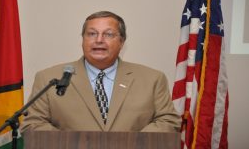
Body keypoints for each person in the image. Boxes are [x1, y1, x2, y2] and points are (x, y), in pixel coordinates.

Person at [21, 11, 181, 132]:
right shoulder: (49, 78)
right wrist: (76, 143)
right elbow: (33, 123)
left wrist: (132, 143)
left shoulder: (152, 79)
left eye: (108, 34)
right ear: (82, 40)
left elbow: (168, 120)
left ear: (122, 41)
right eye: (91, 34)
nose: (99, 40)